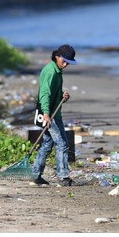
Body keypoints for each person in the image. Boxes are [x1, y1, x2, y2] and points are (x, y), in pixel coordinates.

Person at [32, 44, 77, 186]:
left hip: (54, 112)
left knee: (47, 143)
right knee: (62, 144)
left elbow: (53, 92)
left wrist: (62, 95)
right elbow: (45, 94)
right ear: (57, 56)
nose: (65, 64)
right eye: (63, 61)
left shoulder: (56, 70)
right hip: (48, 113)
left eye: (68, 62)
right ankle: (63, 177)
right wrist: (46, 114)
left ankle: (35, 175)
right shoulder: (50, 71)